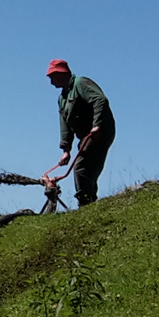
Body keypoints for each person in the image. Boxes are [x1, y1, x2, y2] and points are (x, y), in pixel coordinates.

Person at [46, 59, 114, 207]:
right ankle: (89, 202)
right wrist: (66, 150)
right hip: (84, 136)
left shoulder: (81, 83)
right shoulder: (62, 98)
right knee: (86, 168)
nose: (51, 82)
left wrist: (97, 125)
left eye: (52, 77)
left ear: (61, 73)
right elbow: (65, 124)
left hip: (99, 132)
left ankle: (85, 203)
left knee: (81, 167)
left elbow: (100, 100)